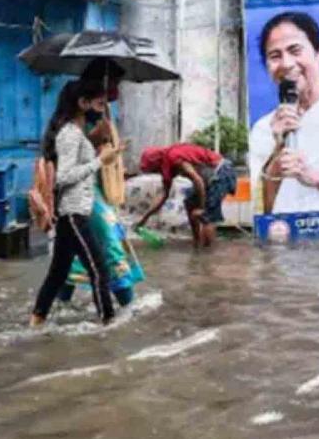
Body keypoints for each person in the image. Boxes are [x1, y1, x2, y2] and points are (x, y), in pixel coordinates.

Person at [30, 78, 125, 327]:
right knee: (99, 270)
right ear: (82, 103)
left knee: (58, 274)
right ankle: (108, 324)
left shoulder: (77, 134)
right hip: (73, 214)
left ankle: (36, 322)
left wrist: (107, 155)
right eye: (99, 104)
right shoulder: (70, 134)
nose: (102, 109)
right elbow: (64, 177)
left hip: (72, 213)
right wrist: (99, 162)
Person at [248, 11, 319, 214]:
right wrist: (278, 150)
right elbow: (264, 210)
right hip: (285, 238)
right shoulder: (264, 128)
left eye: (295, 50)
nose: (287, 64)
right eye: (275, 56)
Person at [60, 61, 145, 307]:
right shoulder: (76, 114)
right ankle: (128, 306)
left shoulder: (101, 114)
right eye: (115, 83)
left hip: (96, 190)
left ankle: (54, 308)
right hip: (83, 192)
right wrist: (93, 139)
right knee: (109, 243)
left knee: (78, 246)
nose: (117, 89)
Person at [135, 143, 236, 248]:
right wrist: (144, 219)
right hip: (208, 178)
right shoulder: (167, 168)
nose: (155, 172)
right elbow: (163, 197)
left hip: (222, 171)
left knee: (207, 216)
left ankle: (206, 256)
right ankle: (196, 244)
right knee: (189, 203)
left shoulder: (174, 158)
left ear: (156, 163)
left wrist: (201, 208)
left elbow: (198, 180)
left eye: (153, 169)